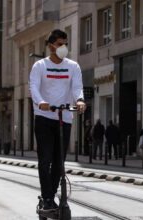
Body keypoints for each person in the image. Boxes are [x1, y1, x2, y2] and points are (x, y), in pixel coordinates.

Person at [29, 29, 86, 213]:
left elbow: (77, 87)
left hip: (64, 117)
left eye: (65, 43)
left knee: (59, 162)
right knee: (45, 160)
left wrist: (80, 101)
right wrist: (41, 102)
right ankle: (46, 198)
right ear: (51, 45)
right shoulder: (40, 66)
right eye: (60, 44)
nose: (63, 47)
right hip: (44, 117)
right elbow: (34, 87)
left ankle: (51, 195)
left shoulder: (73, 66)